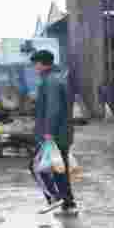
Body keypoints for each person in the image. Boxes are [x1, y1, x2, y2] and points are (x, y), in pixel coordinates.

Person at [32, 49, 76, 215]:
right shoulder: (60, 78)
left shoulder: (50, 81)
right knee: (59, 168)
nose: (34, 68)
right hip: (64, 133)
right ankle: (68, 204)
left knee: (36, 166)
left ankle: (55, 198)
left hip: (53, 134)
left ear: (42, 64)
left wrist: (48, 132)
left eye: (35, 64)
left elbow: (53, 109)